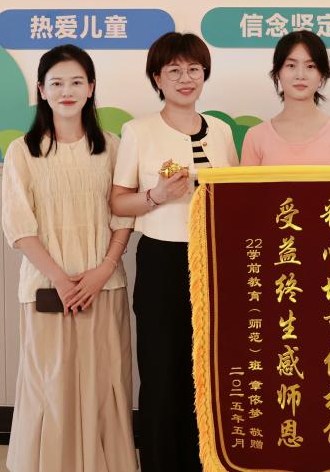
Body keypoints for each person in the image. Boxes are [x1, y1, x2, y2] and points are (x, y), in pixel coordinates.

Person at [2, 45, 136, 472]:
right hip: (46, 290)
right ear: (41, 90)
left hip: (104, 287)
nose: (67, 91)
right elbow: (19, 227)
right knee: (50, 388)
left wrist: (103, 270)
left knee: (105, 385)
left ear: (91, 88)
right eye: (57, 83)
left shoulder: (112, 148)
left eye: (77, 82)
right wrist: (61, 280)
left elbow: (123, 216)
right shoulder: (22, 151)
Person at [111, 32, 238, 472]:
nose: (186, 79)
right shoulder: (138, 131)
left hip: (216, 264)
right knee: (163, 371)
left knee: (209, 370)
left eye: (194, 69)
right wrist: (157, 195)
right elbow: (118, 203)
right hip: (163, 262)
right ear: (157, 78)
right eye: (174, 70)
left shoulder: (222, 131)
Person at [240, 30, 330, 166]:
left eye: (310, 66)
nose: (300, 75)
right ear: (277, 73)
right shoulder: (255, 136)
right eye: (291, 65)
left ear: (322, 75)